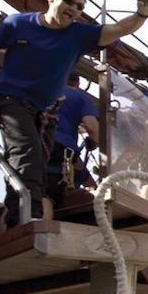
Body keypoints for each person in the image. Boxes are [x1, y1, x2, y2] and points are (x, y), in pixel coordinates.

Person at [0, 0, 148, 227]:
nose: (74, 9)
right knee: (26, 153)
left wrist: (142, 14)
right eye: (68, 1)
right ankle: (28, 221)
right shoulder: (18, 24)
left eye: (79, 7)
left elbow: (119, 29)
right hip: (9, 98)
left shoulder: (79, 35)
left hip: (45, 111)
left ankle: (15, 220)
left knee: (34, 167)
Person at [45, 72, 99, 215]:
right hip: (58, 146)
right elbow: (92, 126)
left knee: (16, 197)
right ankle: (40, 234)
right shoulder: (80, 97)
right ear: (77, 84)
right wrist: (95, 141)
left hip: (30, 141)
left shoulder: (44, 90)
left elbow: (77, 165)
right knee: (47, 195)